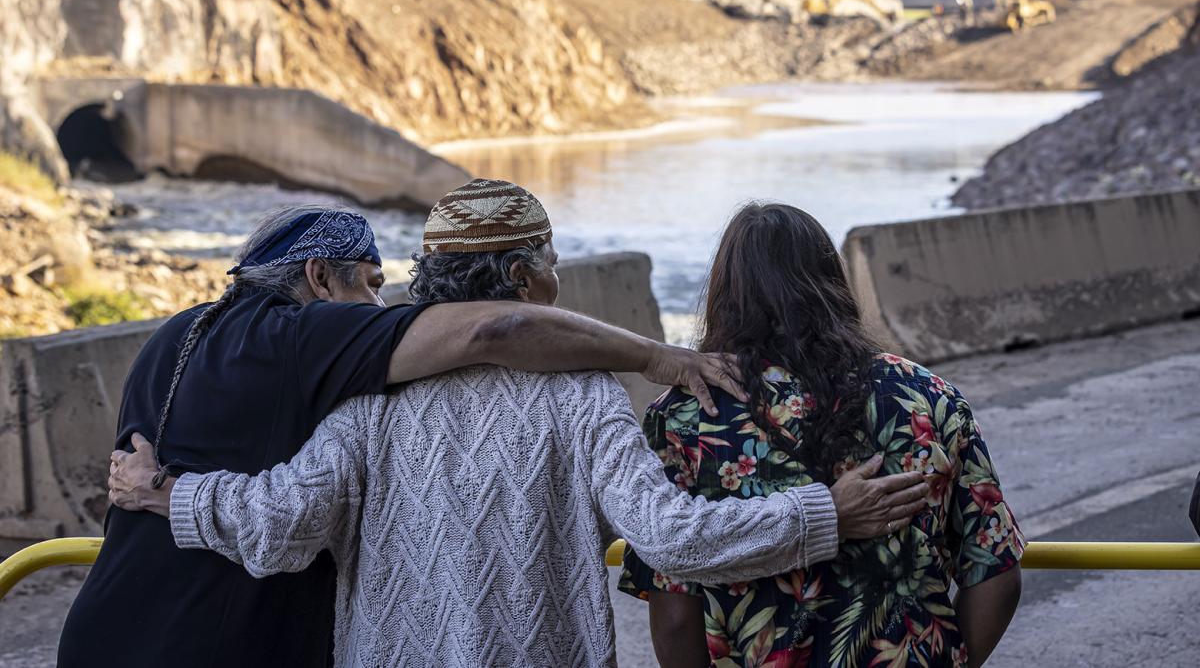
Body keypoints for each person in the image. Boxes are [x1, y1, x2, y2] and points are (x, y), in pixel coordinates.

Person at [108, 181, 929, 667]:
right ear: (518, 276)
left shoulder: (363, 401)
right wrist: (828, 511)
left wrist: (168, 493)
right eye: (550, 261)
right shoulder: (580, 394)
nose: (559, 278)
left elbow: (280, 522)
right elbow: (673, 537)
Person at [620, 202, 1024, 668]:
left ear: (725, 294)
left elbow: (675, 615)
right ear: (832, 281)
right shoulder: (928, 397)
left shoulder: (685, 418)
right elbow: (995, 572)